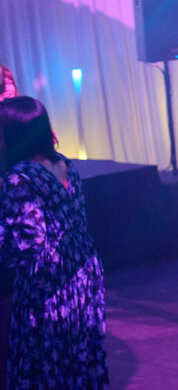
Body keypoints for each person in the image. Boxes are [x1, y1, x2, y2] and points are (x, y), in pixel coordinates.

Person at [0, 96, 109, 388]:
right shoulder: (64, 163)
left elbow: (29, 242)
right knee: (79, 354)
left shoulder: (19, 177)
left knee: (46, 360)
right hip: (82, 270)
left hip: (47, 282)